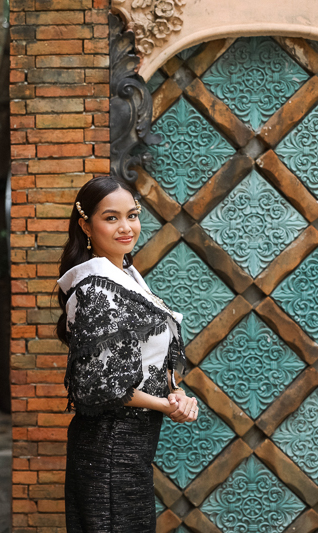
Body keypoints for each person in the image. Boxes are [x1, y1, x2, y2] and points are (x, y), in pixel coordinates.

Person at [57, 176, 199, 532]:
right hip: (108, 448)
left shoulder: (127, 278)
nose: (126, 227)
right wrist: (164, 405)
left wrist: (177, 394)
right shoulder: (94, 287)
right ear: (85, 226)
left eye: (132, 215)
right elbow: (98, 386)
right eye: (111, 218)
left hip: (132, 449)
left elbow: (151, 362)